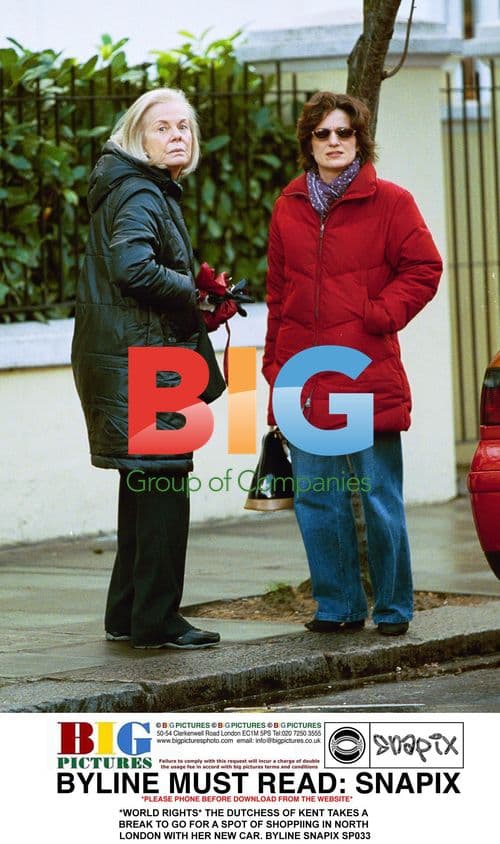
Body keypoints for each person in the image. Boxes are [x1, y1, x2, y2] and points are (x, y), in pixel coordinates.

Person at [262, 92, 443, 636]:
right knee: (317, 498)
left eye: (344, 132)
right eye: (323, 133)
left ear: (360, 139)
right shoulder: (288, 205)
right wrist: (275, 369)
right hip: (303, 377)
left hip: (363, 372)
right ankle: (337, 606)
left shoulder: (391, 202)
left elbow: (424, 268)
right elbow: (278, 296)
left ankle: (392, 608)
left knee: (378, 497)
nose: (334, 142)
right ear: (309, 142)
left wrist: (379, 314)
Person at [72, 88, 236, 649]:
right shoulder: (141, 191)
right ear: (137, 138)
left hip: (128, 356)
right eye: (162, 127)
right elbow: (132, 268)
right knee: (164, 486)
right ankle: (158, 620)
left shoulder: (131, 186)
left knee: (142, 485)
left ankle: (128, 614)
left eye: (183, 127)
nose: (176, 136)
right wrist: (193, 291)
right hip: (148, 363)